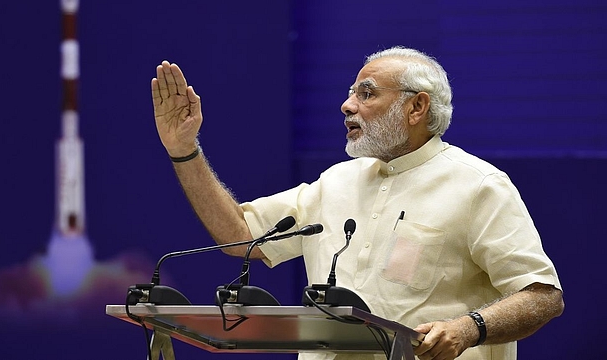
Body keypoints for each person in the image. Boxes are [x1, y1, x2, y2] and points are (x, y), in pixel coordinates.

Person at [150, 46, 563, 360]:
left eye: (366, 93)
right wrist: (184, 149)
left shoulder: (479, 186)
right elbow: (241, 238)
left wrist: (469, 328)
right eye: (350, 93)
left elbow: (543, 296)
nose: (347, 105)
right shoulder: (336, 182)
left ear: (416, 106)